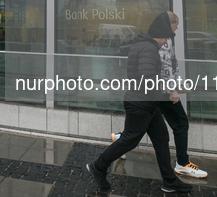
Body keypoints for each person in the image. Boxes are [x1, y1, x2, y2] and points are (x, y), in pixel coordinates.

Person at [86, 13, 192, 193]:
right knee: (129, 140)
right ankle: (98, 166)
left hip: (148, 104)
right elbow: (147, 78)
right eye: (165, 38)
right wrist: (169, 91)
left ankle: (169, 181)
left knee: (161, 139)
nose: (166, 42)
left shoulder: (141, 46)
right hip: (141, 104)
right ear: (160, 35)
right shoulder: (149, 49)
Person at [112, 11, 208, 179]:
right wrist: (173, 90)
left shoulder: (164, 39)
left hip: (159, 91)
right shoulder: (164, 40)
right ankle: (182, 164)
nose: (177, 27)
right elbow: (164, 67)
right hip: (162, 92)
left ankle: (121, 137)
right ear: (170, 24)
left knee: (147, 128)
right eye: (176, 24)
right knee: (180, 123)